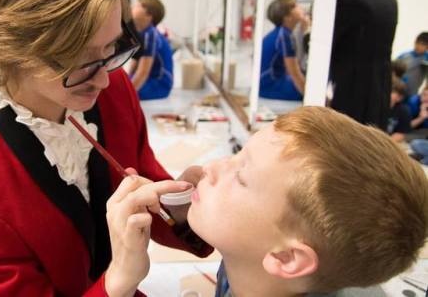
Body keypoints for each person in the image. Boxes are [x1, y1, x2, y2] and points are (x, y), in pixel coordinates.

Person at [0, 0, 211, 296]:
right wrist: (116, 282)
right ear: (15, 52)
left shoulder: (114, 91)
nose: (105, 78)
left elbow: (145, 180)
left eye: (111, 50)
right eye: (83, 63)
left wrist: (179, 210)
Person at [112, 106, 428, 297]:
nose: (210, 168)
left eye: (241, 177)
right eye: (236, 156)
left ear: (288, 257)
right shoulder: (252, 266)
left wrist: (117, 284)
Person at [330, 0, 398, 131]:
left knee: (347, 143)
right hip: (380, 87)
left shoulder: (348, 2)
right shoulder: (389, 1)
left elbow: (328, 46)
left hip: (351, 90)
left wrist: (308, 32)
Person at [259, 0, 306, 101]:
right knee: (311, 89)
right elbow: (294, 72)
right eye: (295, 6)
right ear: (287, 17)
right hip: (269, 85)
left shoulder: (282, 32)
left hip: (270, 81)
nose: (301, 8)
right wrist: (310, 97)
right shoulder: (284, 36)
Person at [129, 0, 174, 100]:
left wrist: (128, 95)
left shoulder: (151, 34)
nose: (132, 7)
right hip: (149, 79)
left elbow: (143, 72)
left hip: (159, 84)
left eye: (137, 6)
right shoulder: (141, 33)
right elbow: (135, 62)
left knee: (119, 92)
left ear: (149, 15)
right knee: (116, 84)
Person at [398, 32, 428, 96]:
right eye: (417, 43)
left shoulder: (426, 59)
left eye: (422, 44)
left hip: (412, 93)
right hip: (398, 91)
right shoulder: (404, 55)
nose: (418, 46)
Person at [387, 78, 411, 142]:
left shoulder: (404, 111)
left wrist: (385, 143)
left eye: (392, 91)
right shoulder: (374, 106)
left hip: (389, 142)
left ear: (399, 98)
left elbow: (401, 133)